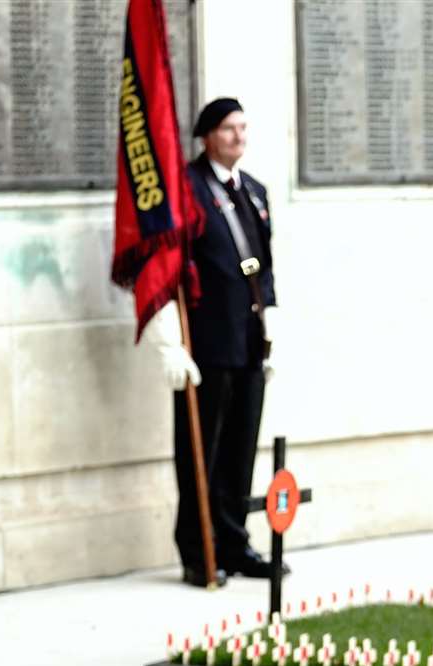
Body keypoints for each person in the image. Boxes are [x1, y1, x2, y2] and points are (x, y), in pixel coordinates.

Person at [142, 97, 282, 584]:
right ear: (206, 136)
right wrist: (170, 343)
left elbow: (262, 266)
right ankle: (199, 550)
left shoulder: (256, 192)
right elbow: (163, 269)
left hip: (247, 340)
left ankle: (234, 541)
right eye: (228, 129)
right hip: (205, 343)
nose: (239, 137)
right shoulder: (185, 191)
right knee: (202, 449)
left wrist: (272, 323)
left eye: (243, 127)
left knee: (241, 447)